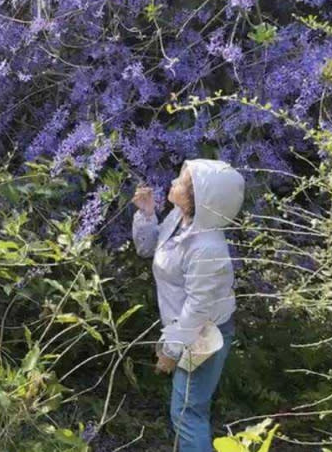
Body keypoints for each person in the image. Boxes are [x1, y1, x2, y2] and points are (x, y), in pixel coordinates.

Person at [131, 159, 244, 452]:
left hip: (205, 334)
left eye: (180, 182)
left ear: (199, 199)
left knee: (187, 412)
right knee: (186, 410)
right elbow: (147, 249)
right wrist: (146, 214)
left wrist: (171, 351)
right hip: (185, 329)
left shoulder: (207, 246)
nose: (172, 184)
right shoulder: (179, 219)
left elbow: (197, 309)